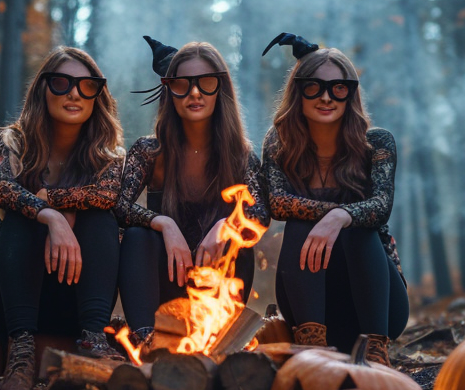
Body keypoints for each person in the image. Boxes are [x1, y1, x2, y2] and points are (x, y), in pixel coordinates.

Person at [0, 47, 125, 390]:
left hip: (71, 296)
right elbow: (2, 191)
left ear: (97, 96)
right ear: (43, 89)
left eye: (87, 86)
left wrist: (52, 200)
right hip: (7, 293)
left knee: (99, 218)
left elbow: (106, 197)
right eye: (62, 83)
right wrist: (51, 216)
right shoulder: (12, 141)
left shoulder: (108, 155)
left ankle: (94, 341)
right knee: (22, 216)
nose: (74, 93)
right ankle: (21, 352)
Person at [261, 33, 407, 366]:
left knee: (359, 226)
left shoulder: (377, 143)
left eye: (338, 88)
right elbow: (279, 204)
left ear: (350, 93)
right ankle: (313, 350)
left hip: (377, 310)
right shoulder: (279, 141)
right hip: (309, 305)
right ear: (298, 90)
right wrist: (336, 213)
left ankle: (376, 353)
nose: (326, 98)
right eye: (314, 87)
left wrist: (341, 217)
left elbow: (381, 208)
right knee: (300, 223)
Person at [115, 38, 267, 346]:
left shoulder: (240, 156)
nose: (194, 93)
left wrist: (225, 227)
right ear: (169, 91)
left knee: (240, 240)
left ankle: (218, 342)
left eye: (205, 83)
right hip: (163, 286)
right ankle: (147, 343)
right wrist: (163, 223)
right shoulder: (149, 151)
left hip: (216, 287)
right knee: (136, 236)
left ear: (220, 89)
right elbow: (117, 206)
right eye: (182, 84)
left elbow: (261, 213)